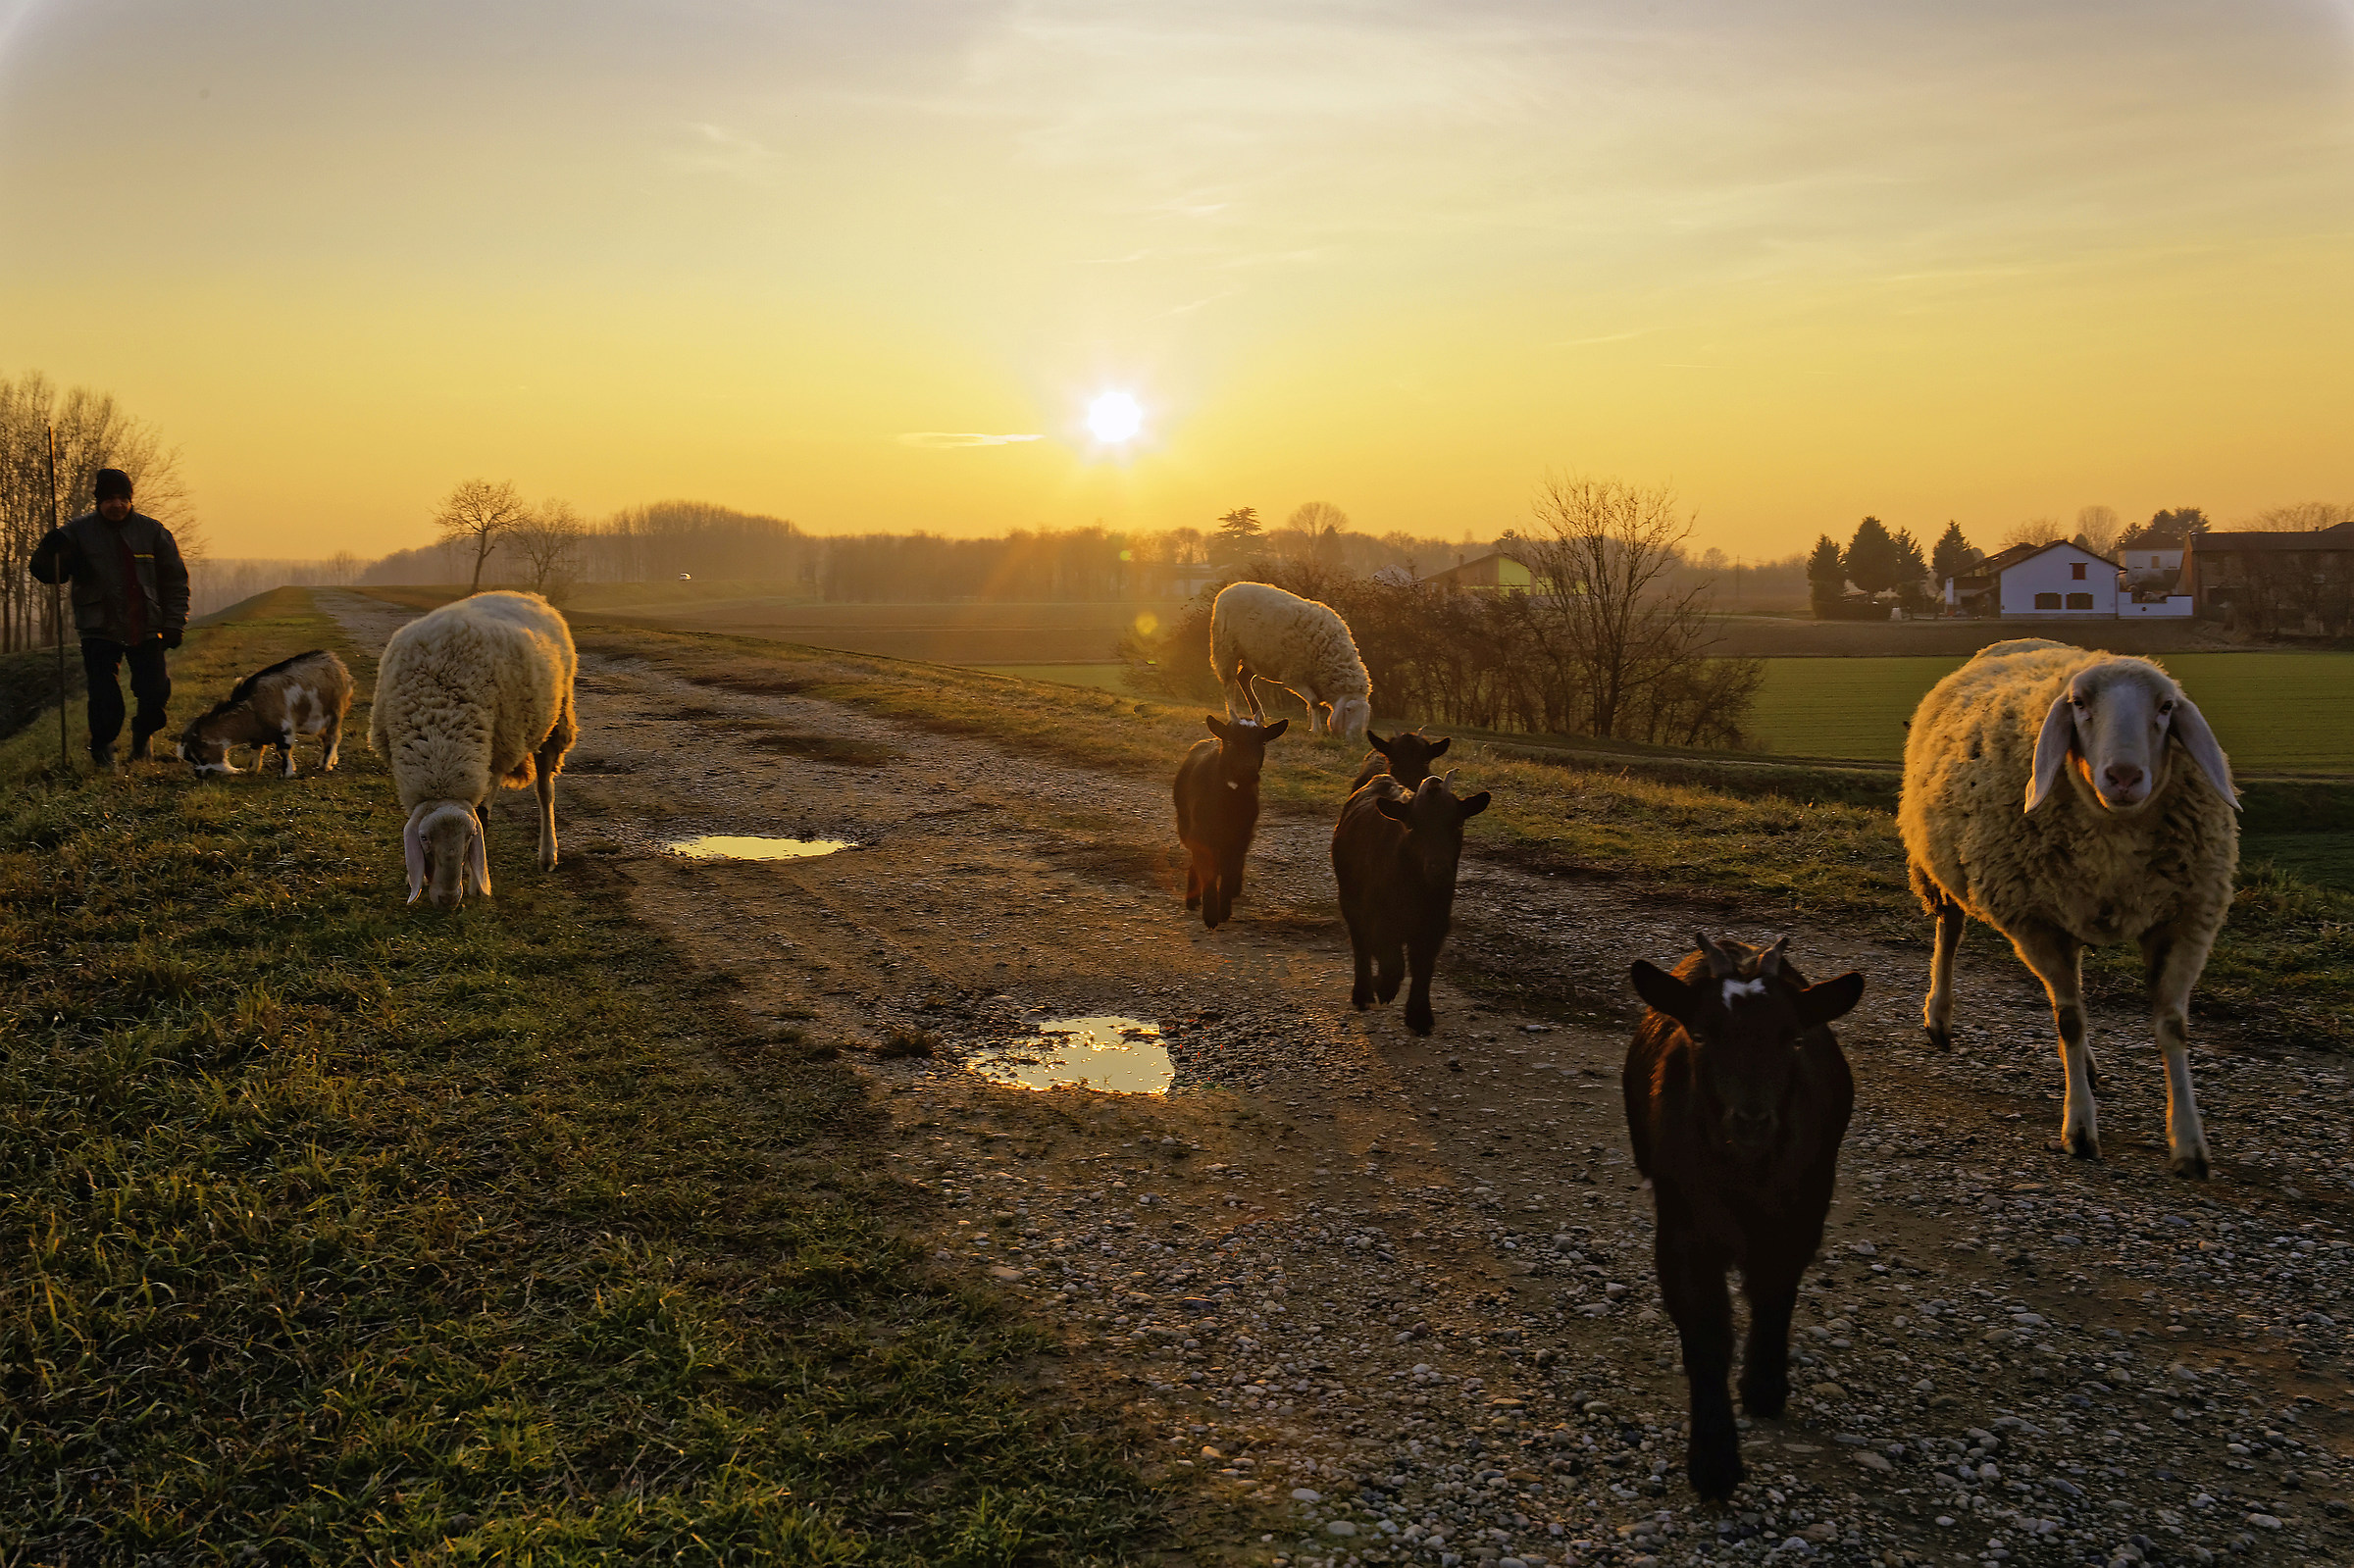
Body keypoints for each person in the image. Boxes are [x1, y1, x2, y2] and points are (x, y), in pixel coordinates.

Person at [29, 467, 189, 771]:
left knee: (156, 693)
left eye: (122, 498)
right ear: (98, 502)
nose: (116, 505)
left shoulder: (153, 532)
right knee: (104, 698)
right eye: (109, 499)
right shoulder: (75, 533)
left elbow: (175, 581)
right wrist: (48, 552)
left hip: (146, 625)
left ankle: (142, 739)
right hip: (98, 628)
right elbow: (48, 573)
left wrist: (174, 622)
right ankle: (104, 749)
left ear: (130, 499)